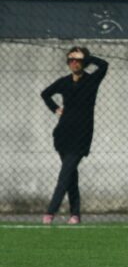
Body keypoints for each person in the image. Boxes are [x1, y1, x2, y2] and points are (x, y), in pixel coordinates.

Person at [40, 47, 109, 225]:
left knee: (65, 174)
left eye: (77, 60)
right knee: (71, 175)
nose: (74, 63)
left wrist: (87, 56)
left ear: (84, 61)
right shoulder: (64, 82)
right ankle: (75, 214)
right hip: (63, 135)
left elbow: (104, 65)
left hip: (81, 136)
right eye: (71, 59)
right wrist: (55, 109)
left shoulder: (92, 81)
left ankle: (50, 212)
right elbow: (45, 94)